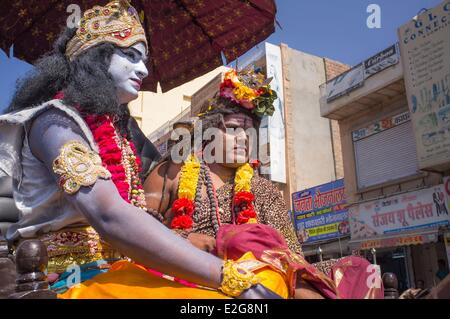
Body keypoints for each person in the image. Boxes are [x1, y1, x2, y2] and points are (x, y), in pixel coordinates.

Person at [0, 0, 279, 299]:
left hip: (124, 270)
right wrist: (229, 278)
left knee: (271, 277)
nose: (143, 69)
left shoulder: (121, 134)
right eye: (130, 56)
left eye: (144, 58)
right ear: (95, 57)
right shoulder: (54, 121)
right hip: (70, 279)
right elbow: (110, 216)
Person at [144, 68, 384, 299]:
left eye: (250, 133)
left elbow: (291, 256)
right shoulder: (174, 172)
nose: (244, 139)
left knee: (361, 269)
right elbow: (136, 229)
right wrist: (192, 240)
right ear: (210, 133)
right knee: (244, 239)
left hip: (263, 278)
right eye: (234, 129)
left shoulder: (263, 189)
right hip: (190, 271)